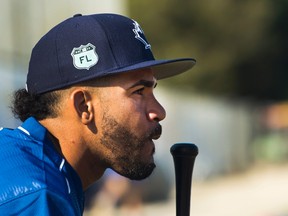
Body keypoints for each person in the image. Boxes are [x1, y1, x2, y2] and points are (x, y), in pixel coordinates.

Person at [0, 13, 195, 215]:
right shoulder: (38, 197)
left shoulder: (24, 162)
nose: (159, 112)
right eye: (138, 92)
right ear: (84, 106)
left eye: (152, 90)